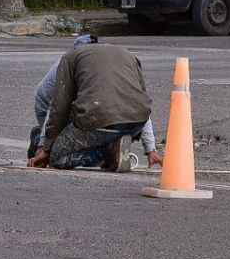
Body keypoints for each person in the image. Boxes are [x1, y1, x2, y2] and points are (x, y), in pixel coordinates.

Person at [28, 34, 164, 170]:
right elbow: (140, 102)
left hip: (98, 121)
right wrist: (151, 150)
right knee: (104, 131)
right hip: (135, 123)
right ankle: (114, 150)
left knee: (57, 158)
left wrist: (46, 149)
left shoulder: (70, 58)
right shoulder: (127, 55)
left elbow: (58, 107)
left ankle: (110, 151)